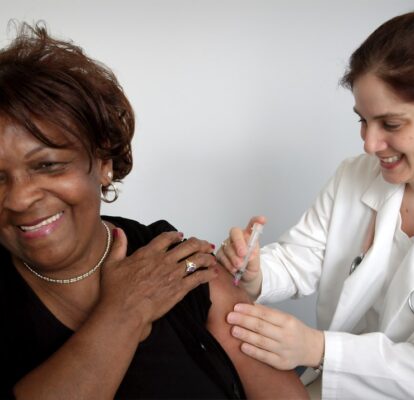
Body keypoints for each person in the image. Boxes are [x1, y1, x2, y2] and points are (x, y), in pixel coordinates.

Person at [0, 23, 309, 399]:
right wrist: (124, 313)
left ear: (104, 161)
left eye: (47, 165)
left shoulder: (174, 259)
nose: (17, 199)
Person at [216, 10, 414, 399]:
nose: (369, 143)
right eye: (362, 121)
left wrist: (319, 349)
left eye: (391, 125)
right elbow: (306, 255)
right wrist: (257, 274)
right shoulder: (356, 176)